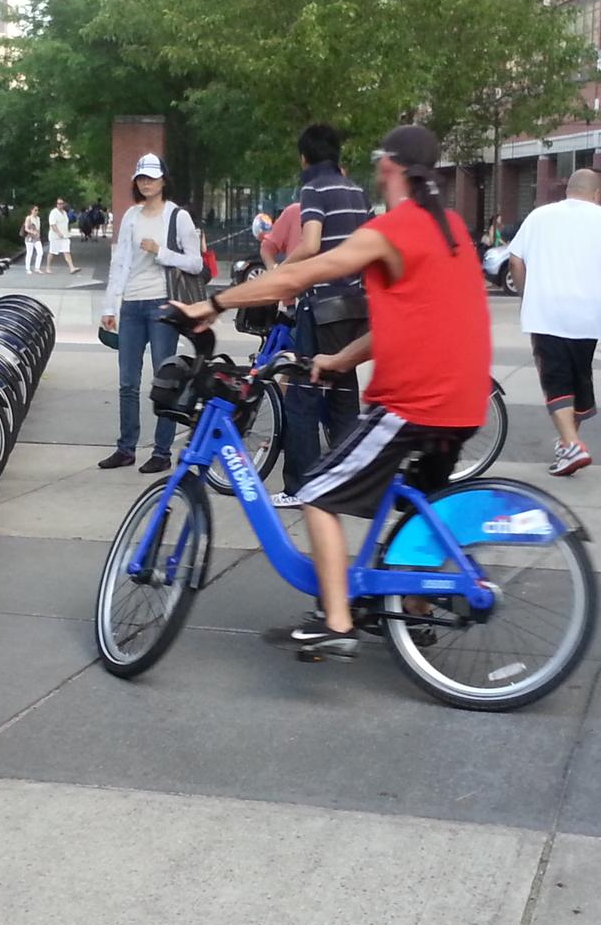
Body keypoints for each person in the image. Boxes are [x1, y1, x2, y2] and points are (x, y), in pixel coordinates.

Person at [171, 124, 491, 658]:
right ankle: (413, 616)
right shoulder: (451, 227)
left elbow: (302, 274)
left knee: (317, 488)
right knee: (417, 510)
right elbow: (413, 320)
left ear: (387, 166)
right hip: (463, 400)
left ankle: (338, 624)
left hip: (417, 401)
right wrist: (340, 359)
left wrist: (215, 304)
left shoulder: (394, 228)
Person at [508, 169, 601, 477]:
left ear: (568, 190)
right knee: (578, 378)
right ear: (596, 194)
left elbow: (515, 259)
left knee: (555, 379)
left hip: (546, 312)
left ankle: (571, 445)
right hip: (589, 314)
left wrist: (526, 295)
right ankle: (569, 443)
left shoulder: (539, 216)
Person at [273, 123, 371, 507]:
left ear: (305, 157)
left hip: (321, 304)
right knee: (344, 397)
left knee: (301, 396)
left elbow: (311, 244)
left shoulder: (314, 188)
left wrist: (281, 269)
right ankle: (347, 484)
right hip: (353, 305)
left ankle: (300, 487)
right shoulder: (357, 191)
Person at [99, 154, 204, 473]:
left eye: (151, 177)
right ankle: (126, 447)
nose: (146, 182)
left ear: (163, 181)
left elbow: (196, 263)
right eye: (141, 178)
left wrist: (162, 253)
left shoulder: (178, 217)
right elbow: (120, 263)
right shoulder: (131, 215)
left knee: (165, 379)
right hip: (131, 304)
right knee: (127, 381)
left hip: (162, 303)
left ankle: (161, 451)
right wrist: (109, 305)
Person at [258, 201, 302, 271]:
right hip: (294, 279)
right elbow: (267, 246)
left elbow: (310, 248)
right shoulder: (294, 211)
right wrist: (273, 269)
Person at [46, 197, 80, 275]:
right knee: (52, 252)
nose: (60, 205)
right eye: (58, 204)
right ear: (56, 204)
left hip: (65, 236)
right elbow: (52, 224)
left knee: (66, 251)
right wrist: (58, 233)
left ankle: (72, 268)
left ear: (63, 204)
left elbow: (66, 223)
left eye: (61, 203)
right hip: (55, 237)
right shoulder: (53, 212)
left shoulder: (64, 213)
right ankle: (48, 267)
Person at [22, 205, 44, 274]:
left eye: (37, 210)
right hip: (29, 238)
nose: (36, 212)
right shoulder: (29, 218)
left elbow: (39, 228)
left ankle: (37, 268)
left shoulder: (38, 218)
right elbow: (26, 228)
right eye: (35, 210)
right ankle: (27, 268)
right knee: (29, 253)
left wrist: (38, 234)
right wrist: (32, 232)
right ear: (31, 210)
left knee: (40, 252)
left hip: (37, 238)